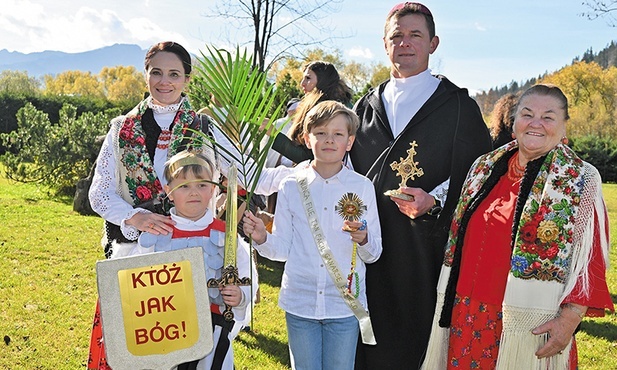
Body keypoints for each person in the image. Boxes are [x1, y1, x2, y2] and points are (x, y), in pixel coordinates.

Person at [421, 83, 614, 369]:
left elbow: (590, 261)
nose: (536, 123)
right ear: (514, 124)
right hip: (466, 313)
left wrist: (569, 320)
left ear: (564, 130)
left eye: (548, 117)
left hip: (528, 323)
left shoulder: (580, 180)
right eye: (527, 114)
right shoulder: (484, 168)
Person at [349, 3, 493, 369]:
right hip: (368, 245)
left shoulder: (458, 105)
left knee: (416, 343)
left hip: (423, 249)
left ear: (433, 43)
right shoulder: (364, 107)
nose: (405, 43)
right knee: (367, 342)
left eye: (415, 35)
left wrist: (436, 200)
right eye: (397, 36)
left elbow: (479, 174)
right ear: (385, 44)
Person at [87, 41, 220, 369]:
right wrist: (137, 217)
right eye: (156, 72)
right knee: (133, 351)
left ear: (187, 79)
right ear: (145, 75)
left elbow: (233, 181)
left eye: (174, 74)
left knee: (181, 351)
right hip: (134, 255)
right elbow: (100, 193)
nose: (165, 81)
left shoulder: (204, 130)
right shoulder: (121, 128)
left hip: (189, 255)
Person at [242, 101, 383, 370]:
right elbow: (282, 249)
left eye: (338, 134)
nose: (329, 140)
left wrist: (363, 239)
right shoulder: (291, 185)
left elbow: (374, 253)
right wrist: (262, 238)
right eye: (320, 132)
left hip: (343, 304)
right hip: (300, 302)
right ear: (307, 139)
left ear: (350, 142)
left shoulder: (362, 187)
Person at [130, 150, 257, 370]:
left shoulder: (226, 236)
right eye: (184, 186)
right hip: (165, 331)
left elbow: (247, 275)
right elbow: (134, 282)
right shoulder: (155, 234)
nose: (194, 193)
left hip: (214, 328)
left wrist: (241, 295)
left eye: (202, 185)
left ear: (213, 190)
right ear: (169, 191)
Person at [271, 61, 354, 164]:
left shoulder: (327, 112)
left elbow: (308, 157)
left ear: (322, 81)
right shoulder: (342, 107)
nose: (302, 83)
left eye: (308, 78)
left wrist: (273, 134)